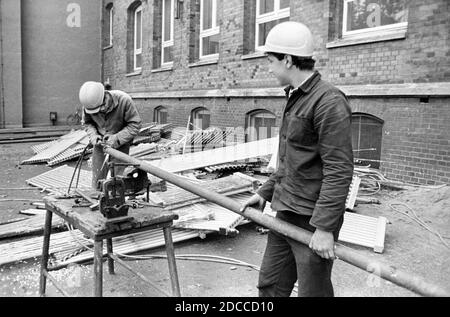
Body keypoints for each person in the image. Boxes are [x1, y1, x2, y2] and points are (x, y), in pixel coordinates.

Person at [241, 21, 354, 297]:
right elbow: (291, 160)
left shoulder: (328, 101)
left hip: (312, 219)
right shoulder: (295, 98)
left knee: (312, 292)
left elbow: (339, 170)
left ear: (288, 60)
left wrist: (325, 228)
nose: (268, 68)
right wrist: (264, 193)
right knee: (271, 285)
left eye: (270, 61)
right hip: (286, 211)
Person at [79, 81, 142, 190]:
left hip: (120, 144)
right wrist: (94, 136)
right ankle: (97, 198)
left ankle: (116, 200)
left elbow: (135, 124)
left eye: (101, 108)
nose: (99, 113)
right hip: (100, 143)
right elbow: (87, 123)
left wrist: (117, 138)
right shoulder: (89, 104)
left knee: (117, 181)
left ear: (104, 97)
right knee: (97, 179)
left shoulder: (124, 100)